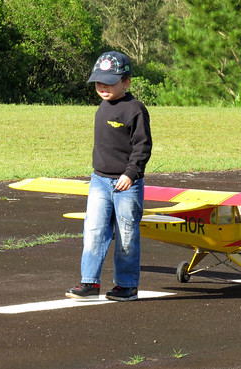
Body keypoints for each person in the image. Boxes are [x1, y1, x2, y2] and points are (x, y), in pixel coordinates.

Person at [65, 51, 152, 302]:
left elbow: (142, 146)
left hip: (126, 184)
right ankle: (89, 282)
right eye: (99, 82)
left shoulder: (135, 110)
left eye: (110, 82)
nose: (103, 87)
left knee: (126, 235)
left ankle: (126, 285)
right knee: (93, 230)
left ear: (126, 82)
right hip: (99, 180)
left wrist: (131, 173)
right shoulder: (102, 107)